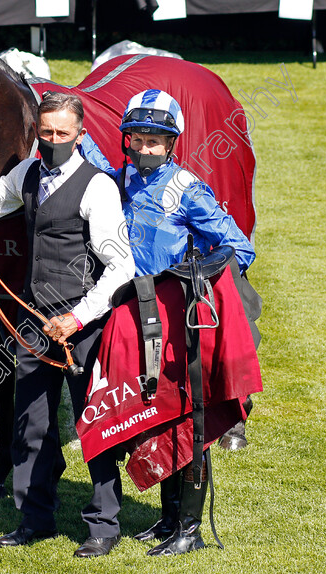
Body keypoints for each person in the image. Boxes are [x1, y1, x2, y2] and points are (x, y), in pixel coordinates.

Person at [0, 92, 135, 558]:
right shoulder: (28, 172)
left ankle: (103, 524)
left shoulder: (98, 186)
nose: (53, 141)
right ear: (36, 132)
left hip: (85, 325)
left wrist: (77, 317)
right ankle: (35, 517)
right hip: (33, 323)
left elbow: (120, 267)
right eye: (46, 133)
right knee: (31, 423)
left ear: (80, 134)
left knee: (95, 423)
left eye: (62, 133)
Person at [116, 89, 256, 556]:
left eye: (156, 140)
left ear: (172, 143)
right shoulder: (122, 180)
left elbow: (238, 246)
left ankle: (190, 531)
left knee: (188, 421)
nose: (145, 147)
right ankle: (168, 519)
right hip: (132, 314)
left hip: (178, 321)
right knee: (152, 417)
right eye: (138, 137)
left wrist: (198, 275)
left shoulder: (187, 189)